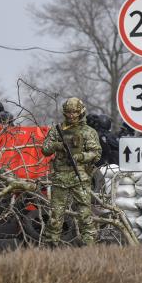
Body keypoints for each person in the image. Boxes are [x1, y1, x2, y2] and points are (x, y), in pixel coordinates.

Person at [41, 97, 101, 246]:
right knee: (55, 216)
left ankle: (90, 248)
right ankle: (50, 248)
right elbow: (45, 149)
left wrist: (81, 156)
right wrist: (57, 145)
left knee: (85, 216)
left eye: (74, 112)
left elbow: (96, 154)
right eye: (68, 112)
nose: (71, 115)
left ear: (80, 112)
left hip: (80, 178)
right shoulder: (58, 130)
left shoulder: (88, 132)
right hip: (60, 178)